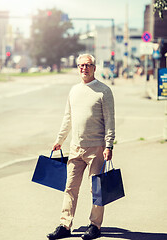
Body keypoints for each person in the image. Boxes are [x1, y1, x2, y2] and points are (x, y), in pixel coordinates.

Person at [47, 53, 115, 240]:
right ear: (78, 68)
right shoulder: (74, 90)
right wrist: (60, 139)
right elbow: (68, 117)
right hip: (75, 148)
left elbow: (110, 120)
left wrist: (109, 145)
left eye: (88, 65)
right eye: (81, 66)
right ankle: (64, 225)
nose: (84, 68)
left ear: (94, 67)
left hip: (97, 148)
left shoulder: (104, 91)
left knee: (96, 189)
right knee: (70, 187)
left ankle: (95, 226)